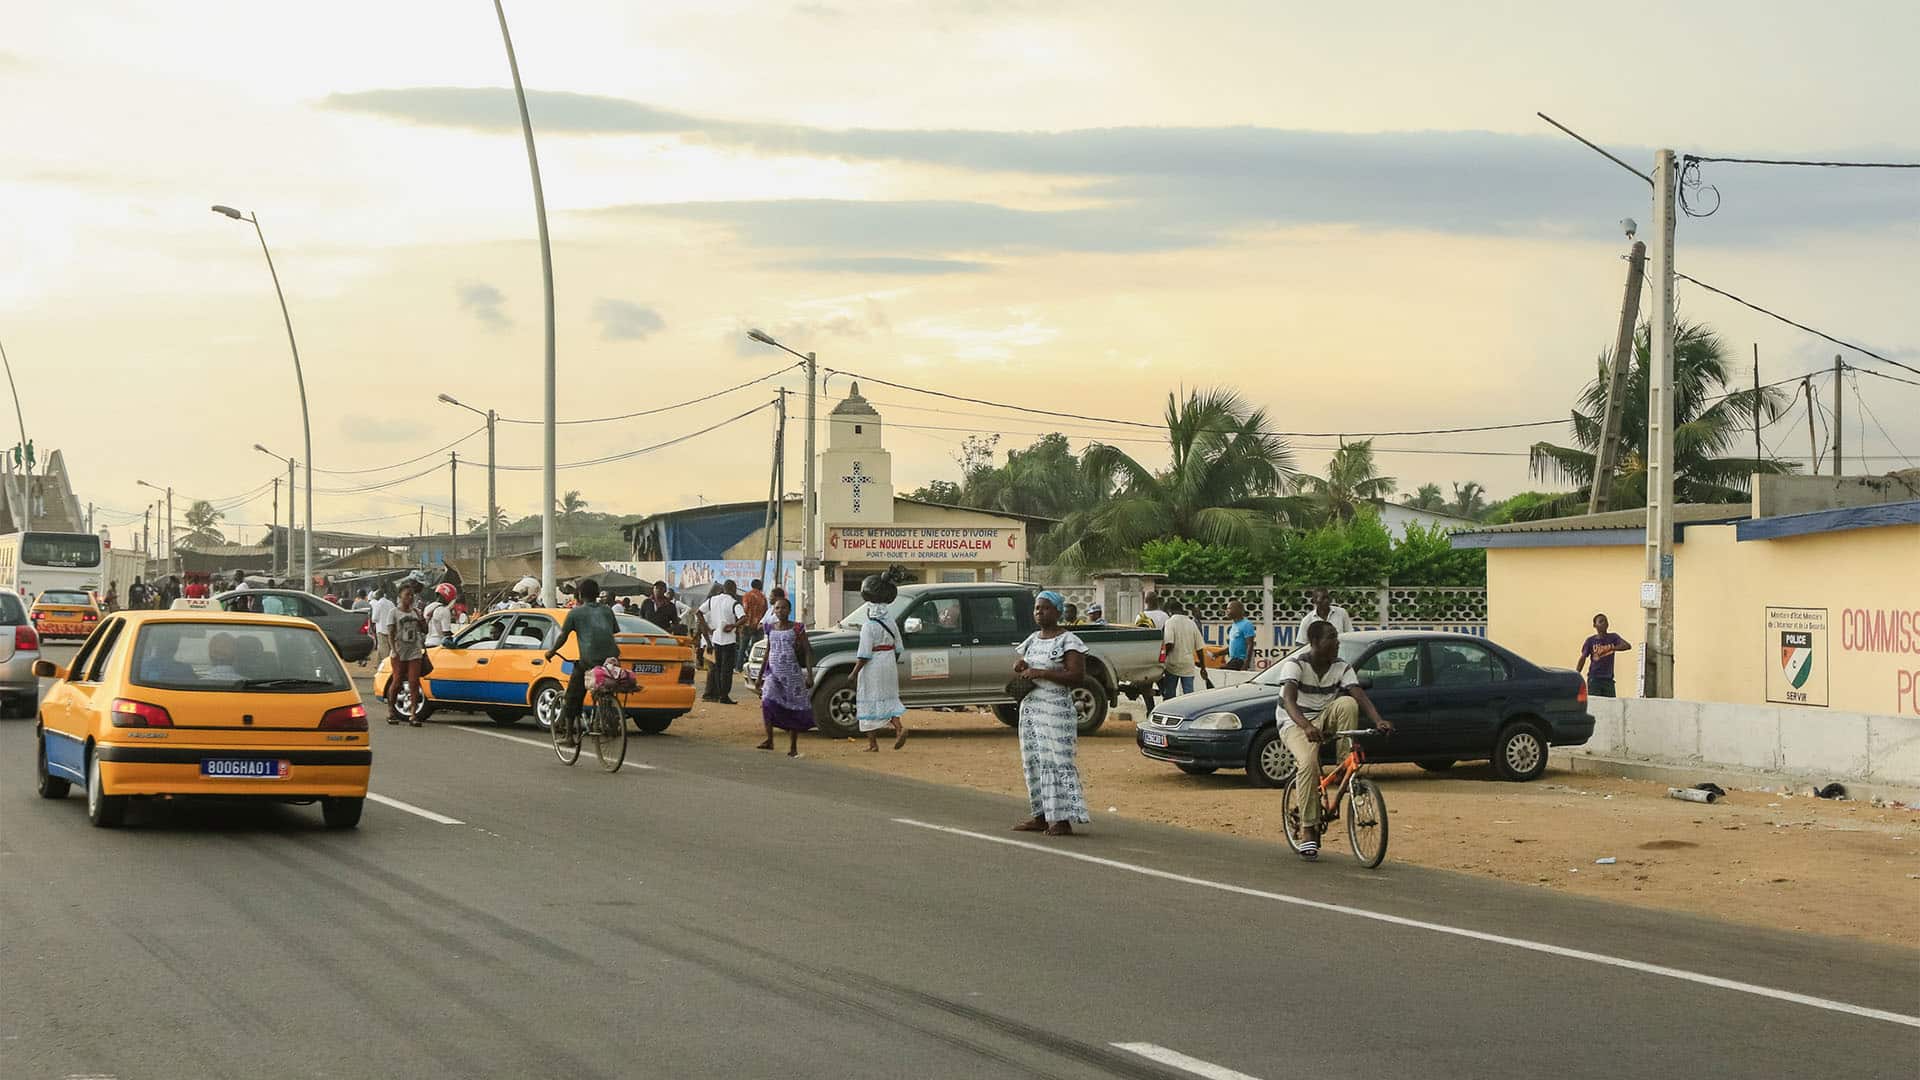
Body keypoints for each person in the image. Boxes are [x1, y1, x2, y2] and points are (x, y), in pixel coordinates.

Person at [1276, 621, 1393, 860]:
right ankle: (1308, 828)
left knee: (1347, 702)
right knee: (1307, 764)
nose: (1337, 642)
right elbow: (1288, 701)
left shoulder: (1341, 666)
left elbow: (1358, 695)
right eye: (1331, 637)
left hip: (1324, 717)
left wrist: (1379, 720)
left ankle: (1343, 763)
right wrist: (1307, 726)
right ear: (1315, 642)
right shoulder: (1295, 665)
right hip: (1295, 722)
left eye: (1336, 637)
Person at [1010, 590, 1090, 836]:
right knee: (1033, 761)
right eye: (1037, 608)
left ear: (1057, 612)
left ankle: (1063, 820)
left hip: (1055, 710)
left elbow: (1077, 676)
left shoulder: (1069, 641)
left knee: (1056, 761)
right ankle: (1041, 816)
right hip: (1031, 709)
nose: (1039, 612)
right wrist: (1022, 666)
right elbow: (1027, 666)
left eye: (1045, 608)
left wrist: (1042, 673)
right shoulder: (1032, 640)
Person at [544, 579, 623, 746]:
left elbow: (563, 636)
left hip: (589, 661)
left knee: (572, 695)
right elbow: (613, 631)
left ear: (579, 595)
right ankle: (608, 712)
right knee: (606, 686)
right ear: (597, 594)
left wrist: (551, 652)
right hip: (611, 659)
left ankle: (569, 736)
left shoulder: (575, 613)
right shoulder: (607, 610)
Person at [850, 575, 907, 751]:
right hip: (889, 663)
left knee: (868, 699)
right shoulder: (891, 622)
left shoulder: (868, 626)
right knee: (888, 698)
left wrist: (853, 673)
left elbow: (864, 654)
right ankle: (899, 728)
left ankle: (873, 744)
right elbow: (898, 647)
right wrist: (889, 662)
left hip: (873, 667)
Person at [755, 594, 815, 756]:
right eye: (777, 608)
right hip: (773, 673)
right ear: (774, 611)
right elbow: (768, 651)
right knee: (767, 701)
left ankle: (793, 746)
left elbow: (807, 651)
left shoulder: (797, 628)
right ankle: (769, 739)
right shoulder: (770, 627)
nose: (780, 611)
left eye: (784, 608)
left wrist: (809, 675)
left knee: (792, 708)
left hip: (792, 674)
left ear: (789, 610)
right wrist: (760, 676)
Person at [387, 583, 428, 727]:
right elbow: (390, 633)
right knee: (397, 681)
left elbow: (425, 630)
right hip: (399, 651)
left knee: (414, 682)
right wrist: (394, 649)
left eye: (412, 595)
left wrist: (421, 619)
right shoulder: (393, 613)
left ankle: (413, 714)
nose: (410, 598)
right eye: (407, 595)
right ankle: (391, 710)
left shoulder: (415, 612)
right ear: (400, 596)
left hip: (414, 651)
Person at [700, 581, 747, 704]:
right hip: (729, 640)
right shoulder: (733, 602)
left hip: (716, 639)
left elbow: (698, 612)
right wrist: (733, 626)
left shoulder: (712, 600)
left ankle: (718, 693)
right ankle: (724, 696)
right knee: (726, 670)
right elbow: (743, 618)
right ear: (733, 589)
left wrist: (707, 628)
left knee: (717, 668)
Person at [1158, 598, 1212, 700]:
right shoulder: (1191, 623)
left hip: (1173, 665)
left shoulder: (1170, 622)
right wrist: (1203, 667)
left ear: (1170, 611)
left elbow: (1169, 644)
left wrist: (1161, 660)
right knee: (1189, 697)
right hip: (1188, 666)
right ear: (1182, 610)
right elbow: (1199, 648)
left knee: (1170, 696)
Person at [1577, 613, 1632, 698]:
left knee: (1611, 703)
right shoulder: (1590, 641)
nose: (1604, 623)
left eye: (1606, 621)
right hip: (1594, 679)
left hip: (1608, 679)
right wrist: (1577, 674)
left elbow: (1627, 646)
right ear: (1595, 625)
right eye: (1601, 621)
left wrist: (1612, 648)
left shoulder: (1613, 637)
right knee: (1595, 702)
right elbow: (1583, 657)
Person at [370, 586, 397, 672]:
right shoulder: (391, 603)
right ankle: (379, 664)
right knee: (387, 647)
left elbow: (374, 618)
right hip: (391, 628)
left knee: (384, 649)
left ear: (378, 596)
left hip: (381, 629)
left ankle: (387, 665)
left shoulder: (378, 604)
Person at [1225, 600, 1257, 671]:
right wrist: (1216, 654)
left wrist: (1246, 665)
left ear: (1238, 610)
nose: (1227, 611)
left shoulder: (1246, 624)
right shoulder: (1234, 625)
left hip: (1240, 661)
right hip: (1234, 660)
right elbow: (1233, 646)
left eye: (1229, 608)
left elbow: (1250, 644)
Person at [424, 583, 456, 647]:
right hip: (438, 644)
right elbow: (446, 632)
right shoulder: (444, 610)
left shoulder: (428, 607)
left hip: (427, 642)